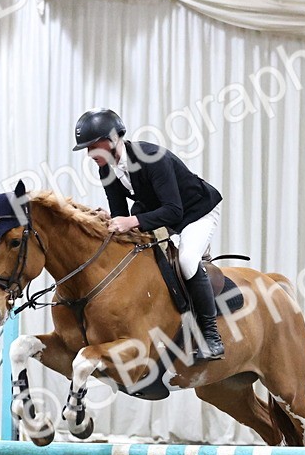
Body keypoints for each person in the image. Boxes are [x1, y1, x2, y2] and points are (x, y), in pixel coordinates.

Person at [73, 108, 225, 361]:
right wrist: (109, 220)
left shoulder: (153, 158)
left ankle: (212, 336)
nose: (89, 154)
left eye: (93, 146)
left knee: (187, 261)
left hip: (197, 211)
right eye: (87, 148)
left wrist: (131, 221)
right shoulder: (106, 170)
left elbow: (174, 211)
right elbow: (120, 214)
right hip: (160, 210)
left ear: (113, 139)